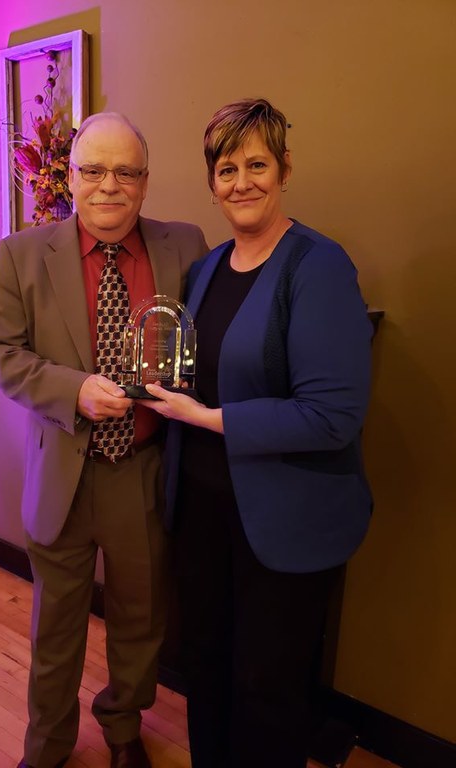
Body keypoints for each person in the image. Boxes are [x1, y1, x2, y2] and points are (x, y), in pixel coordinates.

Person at [141, 98, 373, 768]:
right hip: (205, 514)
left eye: (256, 164)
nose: (240, 181)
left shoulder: (318, 267)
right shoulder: (206, 270)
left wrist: (208, 419)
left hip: (286, 521)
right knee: (206, 671)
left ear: (284, 168)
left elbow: (333, 416)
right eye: (225, 168)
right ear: (212, 181)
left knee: (267, 692)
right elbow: (197, 374)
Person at [0, 112, 208, 768]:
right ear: (70, 177)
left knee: (141, 621)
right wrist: (71, 390)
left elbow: (208, 334)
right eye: (93, 170)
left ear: (145, 181)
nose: (109, 186)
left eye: (126, 172)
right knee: (57, 627)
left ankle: (122, 723)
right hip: (63, 471)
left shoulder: (185, 245)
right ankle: (47, 744)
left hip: (144, 466)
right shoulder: (21, 253)